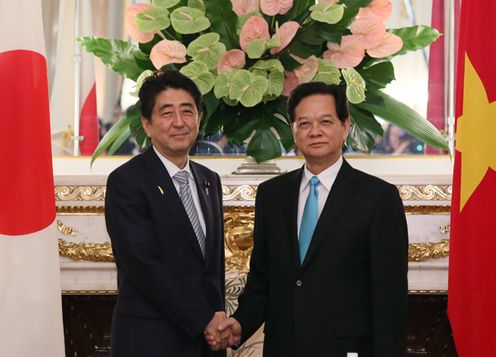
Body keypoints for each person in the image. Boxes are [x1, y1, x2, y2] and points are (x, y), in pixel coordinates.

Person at [211, 82, 409, 356]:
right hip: (284, 347)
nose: (314, 131)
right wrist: (240, 324)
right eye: (304, 123)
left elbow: (390, 299)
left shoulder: (378, 198)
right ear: (293, 130)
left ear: (345, 125)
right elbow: (262, 279)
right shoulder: (272, 195)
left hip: (347, 348)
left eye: (326, 121)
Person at [105, 70, 228, 357]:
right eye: (166, 113)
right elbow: (144, 266)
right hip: (150, 341)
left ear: (199, 118)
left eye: (187, 112)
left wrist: (218, 320)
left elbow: (212, 269)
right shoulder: (127, 181)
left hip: (205, 345)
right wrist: (204, 320)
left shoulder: (209, 179)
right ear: (147, 125)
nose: (179, 123)